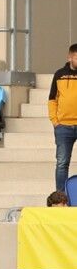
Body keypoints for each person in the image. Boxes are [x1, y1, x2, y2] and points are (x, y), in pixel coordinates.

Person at [49, 43, 77, 194]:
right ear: (69, 57)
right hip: (64, 127)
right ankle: (60, 197)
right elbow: (52, 99)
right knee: (62, 163)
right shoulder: (59, 74)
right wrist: (55, 121)